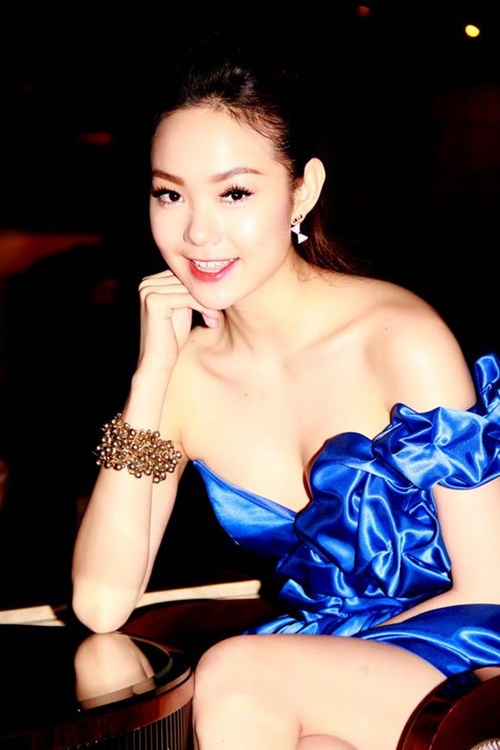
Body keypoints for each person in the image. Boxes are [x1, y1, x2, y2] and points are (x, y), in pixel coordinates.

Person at [71, 34, 500, 750]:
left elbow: (490, 585)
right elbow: (100, 602)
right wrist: (150, 381)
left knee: (236, 675)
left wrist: (315, 656)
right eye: (170, 194)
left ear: (304, 190)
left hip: (469, 663)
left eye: (235, 193)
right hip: (322, 673)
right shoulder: (184, 377)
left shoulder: (398, 339)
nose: (197, 231)